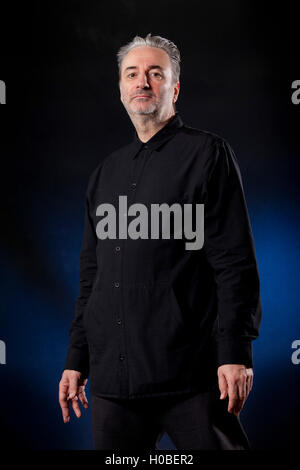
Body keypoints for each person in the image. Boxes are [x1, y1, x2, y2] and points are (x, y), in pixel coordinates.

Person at [58, 33, 262, 450]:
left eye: (155, 73)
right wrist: (76, 360)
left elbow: (234, 262)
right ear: (120, 88)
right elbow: (91, 278)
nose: (142, 82)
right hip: (113, 386)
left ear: (175, 87)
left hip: (191, 377)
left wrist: (235, 351)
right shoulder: (105, 174)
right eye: (132, 74)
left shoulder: (208, 155)